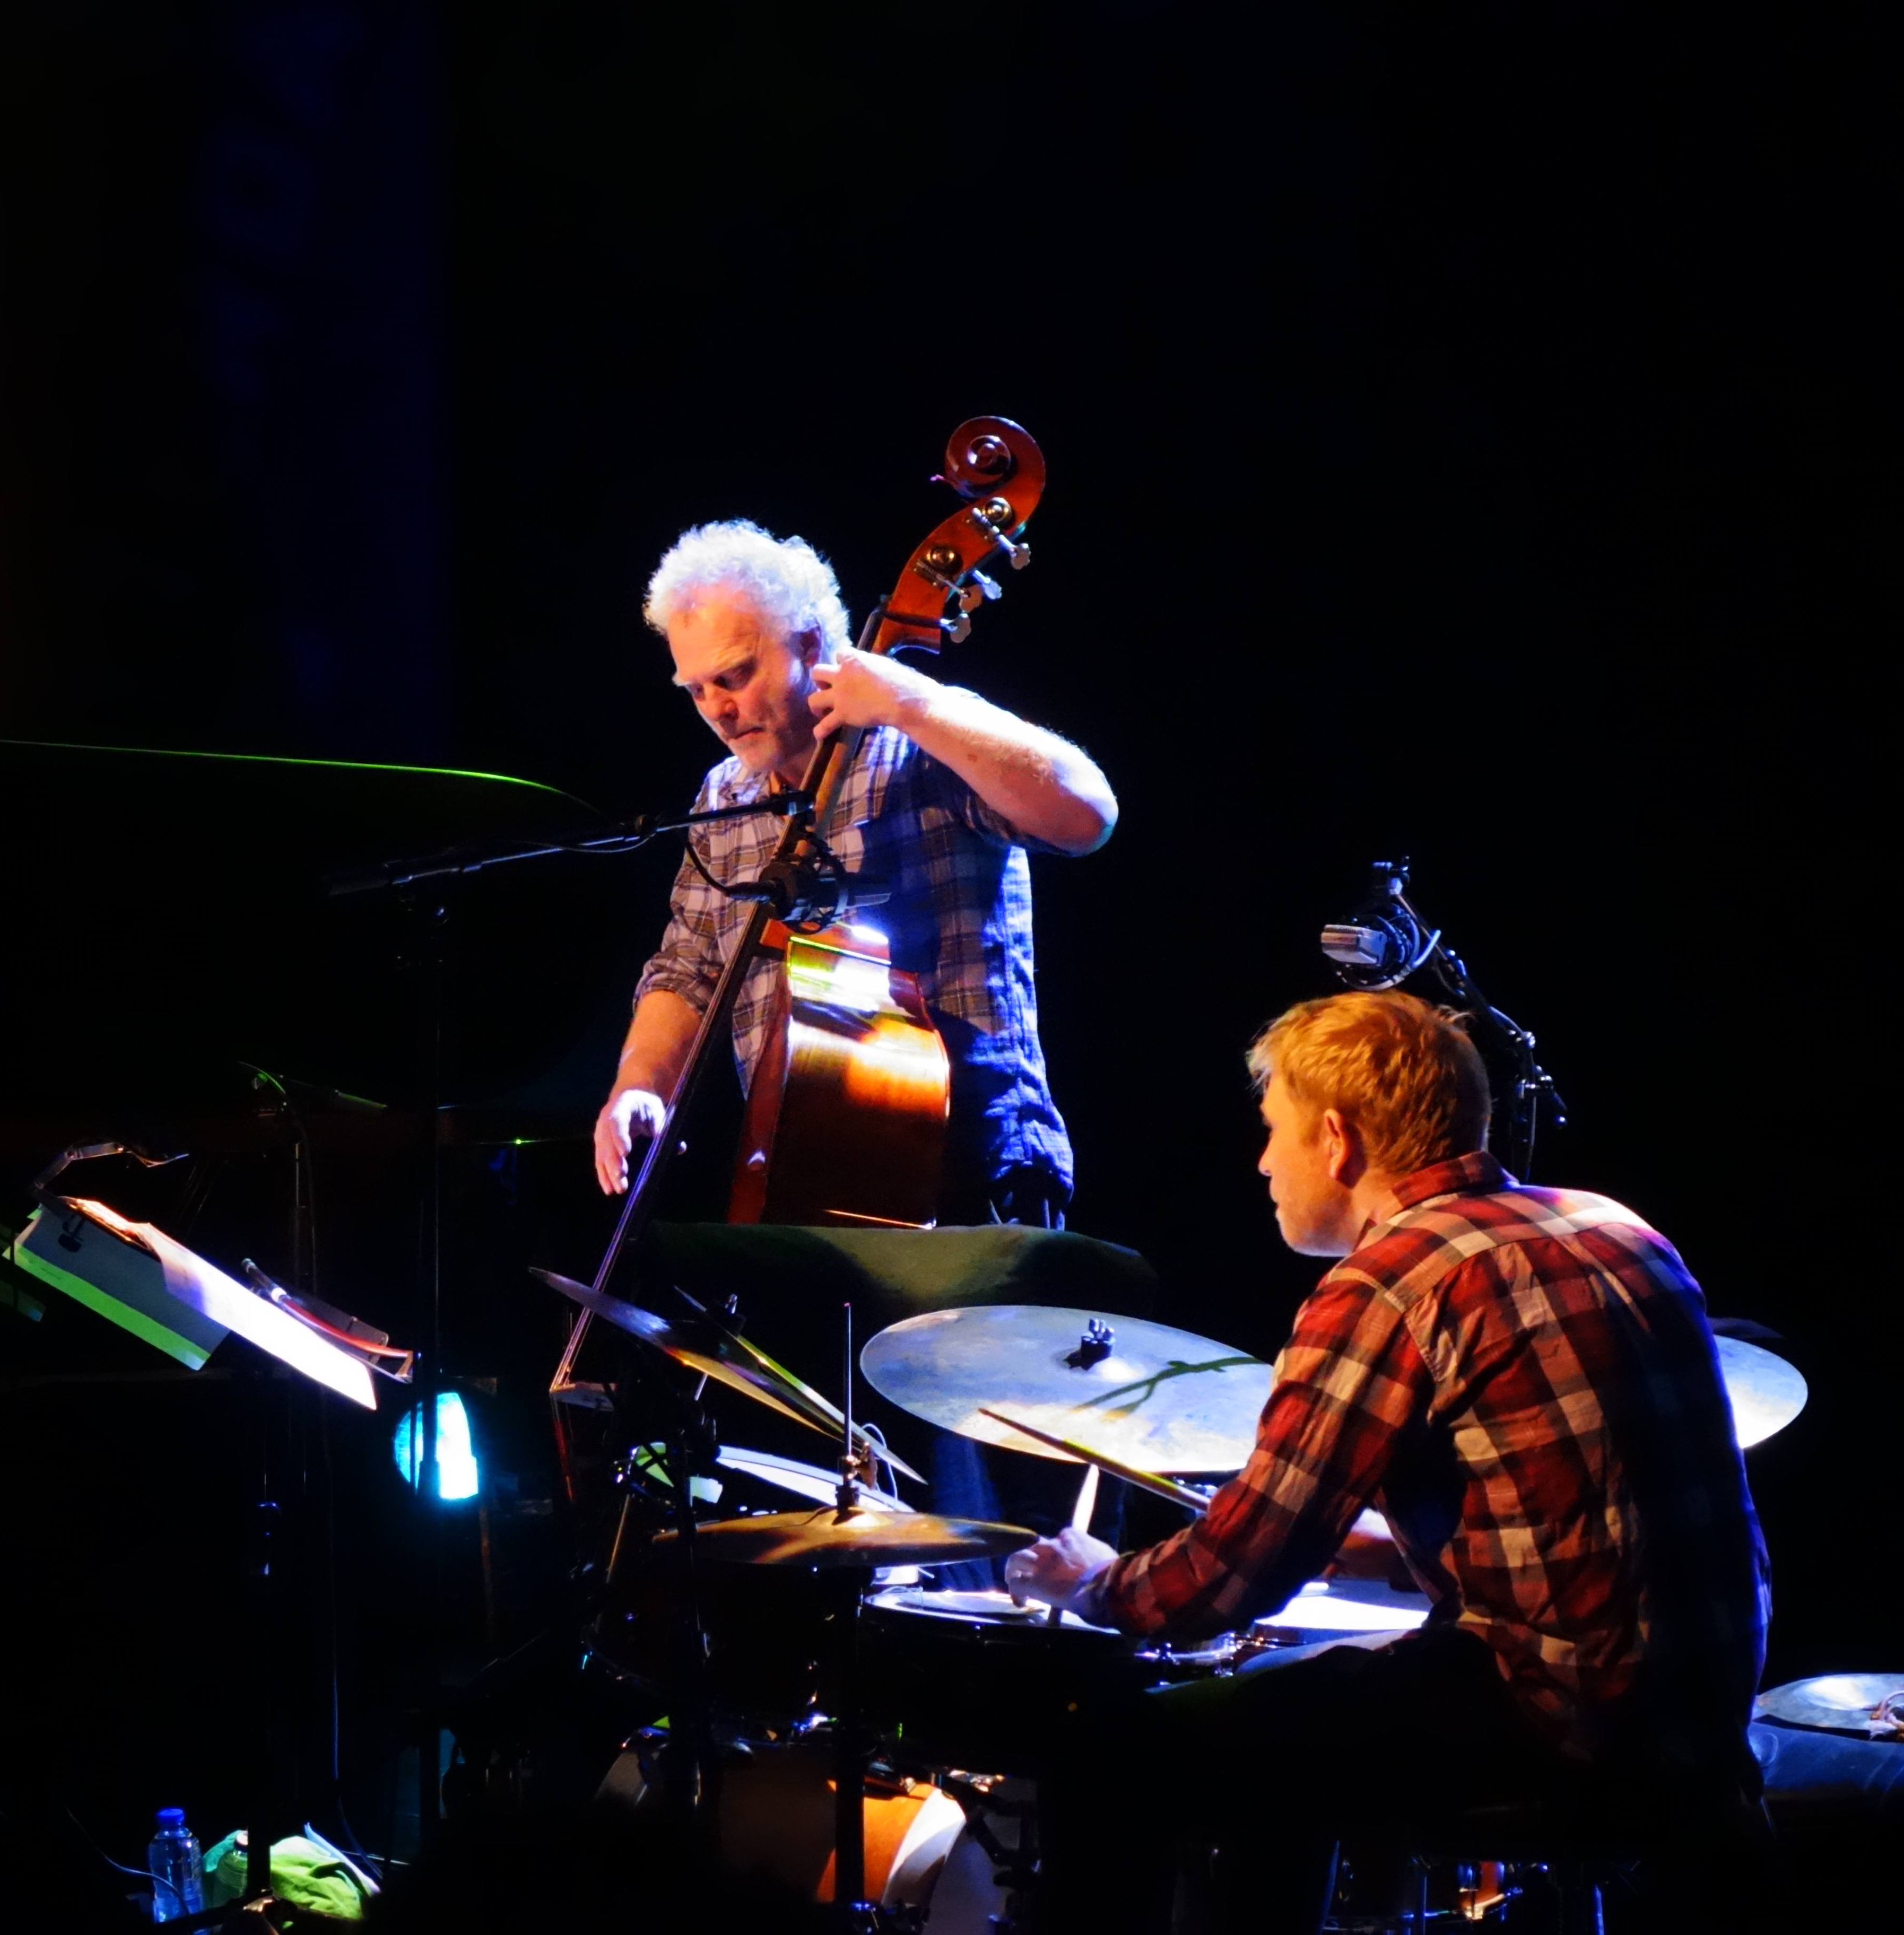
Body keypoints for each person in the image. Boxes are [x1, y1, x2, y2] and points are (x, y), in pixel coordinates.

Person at [1002, 990, 1770, 1930]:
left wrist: (1096, 1584)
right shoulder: (1617, 1229)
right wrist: (1372, 1548)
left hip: (1562, 1726)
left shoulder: (1390, 1279)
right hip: (1703, 1718)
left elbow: (1228, 1583)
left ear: (1336, 1138)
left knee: (1116, 1745)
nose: (1262, 1164)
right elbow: (1585, 1520)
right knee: (1292, 1732)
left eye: (1272, 1131)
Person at [590, 518, 1116, 1230]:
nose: (717, 707)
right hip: (801, 1178)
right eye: (697, 688)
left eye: (735, 675)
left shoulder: (921, 743)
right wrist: (638, 1085)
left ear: (809, 645)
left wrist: (916, 703)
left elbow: (1086, 815)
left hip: (969, 1169)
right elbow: (687, 967)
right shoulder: (724, 798)